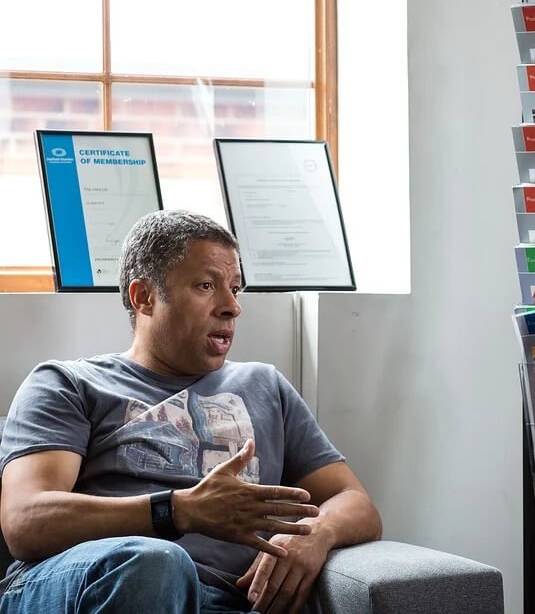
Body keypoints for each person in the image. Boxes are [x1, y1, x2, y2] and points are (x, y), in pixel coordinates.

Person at [0, 210, 382, 614]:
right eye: (206, 285)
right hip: (97, 581)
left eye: (235, 289)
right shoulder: (68, 383)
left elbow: (355, 501)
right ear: (143, 297)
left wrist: (314, 534)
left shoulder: (265, 386)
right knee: (157, 563)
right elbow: (26, 520)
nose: (232, 307)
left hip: (227, 599)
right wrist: (179, 510)